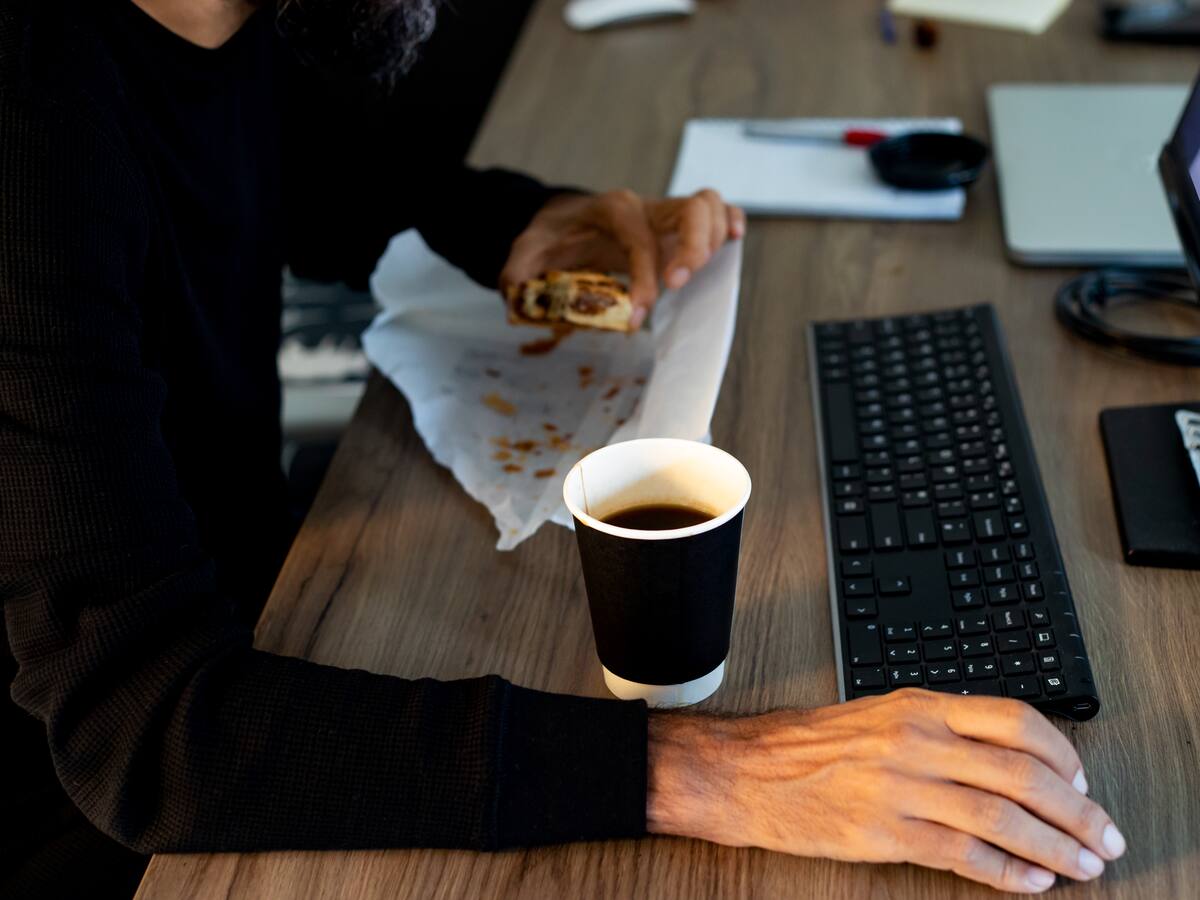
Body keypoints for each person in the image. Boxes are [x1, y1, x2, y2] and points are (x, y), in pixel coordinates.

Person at [0, 0, 1125, 896]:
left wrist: (522, 225)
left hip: (260, 597)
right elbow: (143, 732)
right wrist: (710, 770)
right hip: (114, 783)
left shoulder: (210, 23)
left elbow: (304, 176)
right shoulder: (34, 133)